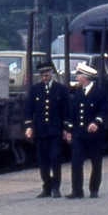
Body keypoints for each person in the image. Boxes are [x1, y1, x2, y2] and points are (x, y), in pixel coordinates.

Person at [24, 61, 70, 198]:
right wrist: (28, 127)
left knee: (55, 157)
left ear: (51, 74)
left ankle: (56, 187)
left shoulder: (61, 89)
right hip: (41, 131)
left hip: (55, 130)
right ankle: (47, 186)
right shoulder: (35, 89)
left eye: (47, 75)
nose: (45, 77)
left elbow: (67, 111)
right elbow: (29, 110)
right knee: (42, 159)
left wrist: (66, 129)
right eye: (43, 75)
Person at [65, 62, 108, 199]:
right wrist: (69, 130)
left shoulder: (99, 92)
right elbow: (73, 114)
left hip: (95, 135)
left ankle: (94, 188)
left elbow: (105, 109)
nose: (76, 78)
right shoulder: (78, 93)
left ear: (85, 77)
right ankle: (77, 190)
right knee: (76, 161)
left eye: (78, 76)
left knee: (96, 162)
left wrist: (97, 122)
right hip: (79, 134)